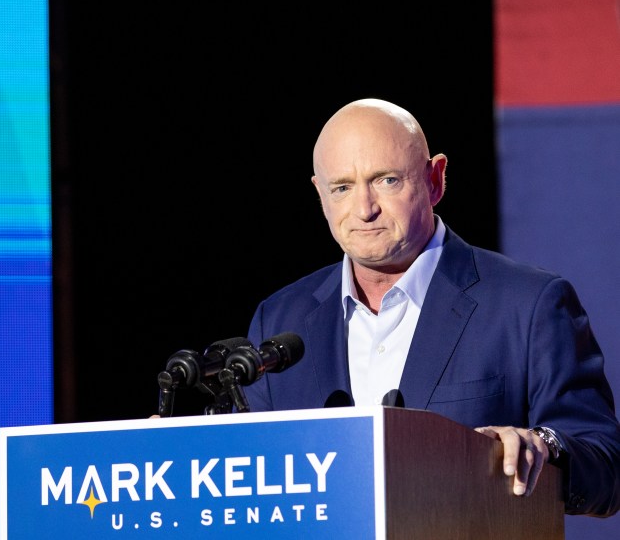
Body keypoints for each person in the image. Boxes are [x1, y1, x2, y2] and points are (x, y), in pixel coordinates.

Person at [242, 98, 620, 516]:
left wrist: (544, 447)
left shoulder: (529, 304)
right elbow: (248, 470)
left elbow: (605, 465)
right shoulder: (280, 318)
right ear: (320, 194)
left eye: (385, 180)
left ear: (435, 180)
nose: (364, 209)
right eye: (343, 188)